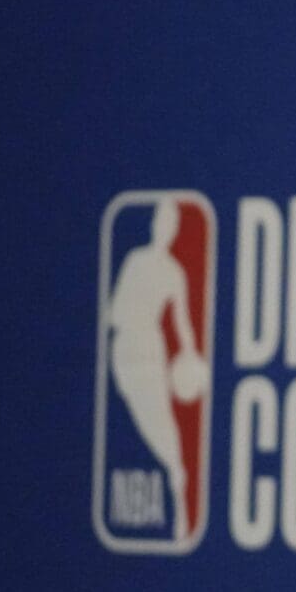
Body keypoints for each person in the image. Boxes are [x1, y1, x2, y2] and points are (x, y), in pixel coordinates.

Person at [106, 198, 204, 534]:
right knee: (143, 421)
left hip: (151, 351)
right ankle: (174, 474)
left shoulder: (175, 273)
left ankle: (179, 496)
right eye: (161, 221)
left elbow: (183, 322)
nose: (165, 228)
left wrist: (190, 353)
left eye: (171, 223)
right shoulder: (134, 261)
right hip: (125, 351)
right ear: (155, 225)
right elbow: (114, 312)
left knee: (162, 421)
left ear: (175, 230)